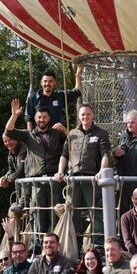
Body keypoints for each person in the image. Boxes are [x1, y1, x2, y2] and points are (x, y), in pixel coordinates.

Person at [54, 103, 111, 247]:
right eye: (83, 114)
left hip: (91, 179)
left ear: (93, 116)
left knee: (96, 213)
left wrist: (101, 171)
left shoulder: (101, 133)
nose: (85, 117)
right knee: (72, 213)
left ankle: (98, 245)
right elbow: (64, 155)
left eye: (88, 114)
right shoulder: (72, 134)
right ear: (79, 116)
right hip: (74, 180)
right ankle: (75, 245)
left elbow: (105, 154)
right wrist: (60, 171)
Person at [6, 98, 66, 235]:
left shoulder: (57, 134)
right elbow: (9, 131)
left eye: (44, 117)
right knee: (38, 215)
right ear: (35, 118)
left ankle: (56, 244)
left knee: (55, 214)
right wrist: (14, 115)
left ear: (49, 118)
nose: (42, 120)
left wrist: (65, 129)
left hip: (55, 180)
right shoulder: (28, 135)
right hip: (36, 182)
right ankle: (37, 247)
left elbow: (72, 145)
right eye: (39, 117)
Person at [25, 66, 82, 131]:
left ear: (54, 83)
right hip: (39, 137)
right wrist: (30, 136)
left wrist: (78, 76)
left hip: (57, 136)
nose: (47, 83)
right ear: (41, 82)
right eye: (45, 81)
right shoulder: (32, 98)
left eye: (50, 81)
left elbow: (77, 91)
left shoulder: (60, 96)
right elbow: (28, 118)